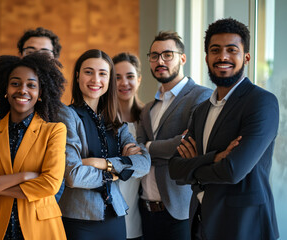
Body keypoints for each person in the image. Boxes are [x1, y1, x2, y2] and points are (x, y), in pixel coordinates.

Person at [169, 18, 280, 240]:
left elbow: (233, 171)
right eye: (215, 50)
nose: (223, 57)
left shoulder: (261, 102)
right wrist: (216, 157)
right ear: (207, 57)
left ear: (246, 57)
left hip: (244, 227)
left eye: (232, 50)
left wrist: (195, 169)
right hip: (202, 223)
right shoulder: (201, 110)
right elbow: (174, 169)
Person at [0, 53, 67, 240]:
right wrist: (25, 176)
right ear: (5, 89)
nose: (22, 90)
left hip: (41, 230)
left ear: (40, 93)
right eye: (15, 83)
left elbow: (50, 184)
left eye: (31, 85)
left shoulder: (54, 131)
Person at [58, 49, 151, 240]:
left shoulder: (114, 121)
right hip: (79, 218)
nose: (95, 79)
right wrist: (115, 173)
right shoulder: (67, 115)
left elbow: (144, 163)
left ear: (109, 80)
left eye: (103, 73)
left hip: (115, 216)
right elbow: (73, 175)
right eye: (88, 72)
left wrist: (100, 163)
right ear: (77, 76)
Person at [135, 31, 212, 240]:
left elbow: (186, 143)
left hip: (179, 210)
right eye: (154, 56)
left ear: (182, 58)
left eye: (167, 54)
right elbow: (136, 150)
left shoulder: (201, 96)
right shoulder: (148, 108)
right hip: (145, 210)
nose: (160, 61)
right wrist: (161, 149)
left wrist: (149, 148)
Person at [113, 52, 145, 240]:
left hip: (139, 218)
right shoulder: (102, 120)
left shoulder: (148, 118)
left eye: (130, 76)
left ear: (139, 79)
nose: (124, 83)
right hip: (107, 216)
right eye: (117, 77)